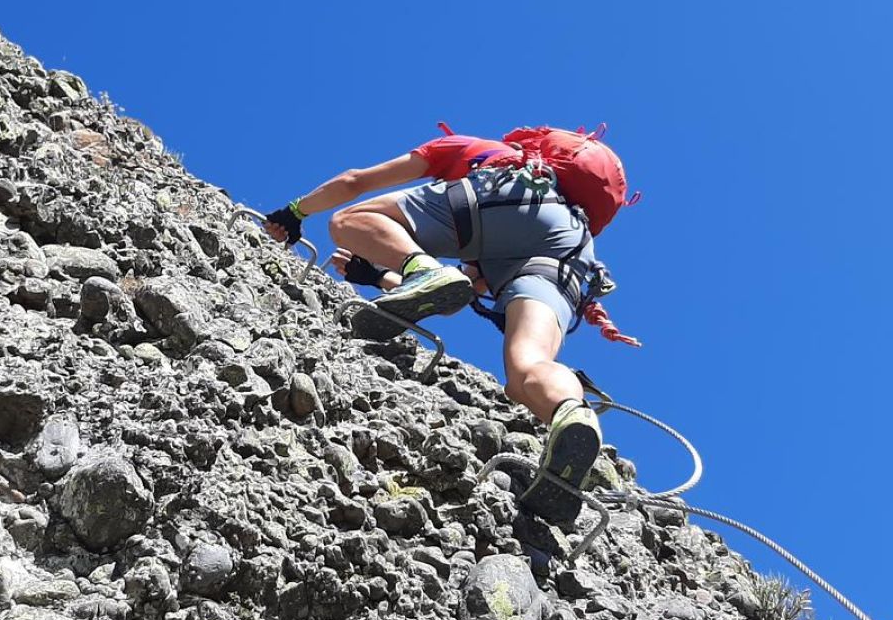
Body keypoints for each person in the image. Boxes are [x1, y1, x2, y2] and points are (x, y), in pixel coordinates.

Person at [262, 125, 631, 526]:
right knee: (526, 364)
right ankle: (571, 413)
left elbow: (355, 182)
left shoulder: (481, 151)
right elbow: (461, 288)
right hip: (569, 254)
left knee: (351, 219)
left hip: (509, 194)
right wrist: (377, 278)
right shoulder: (573, 219)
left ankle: (415, 265)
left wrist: (295, 212)